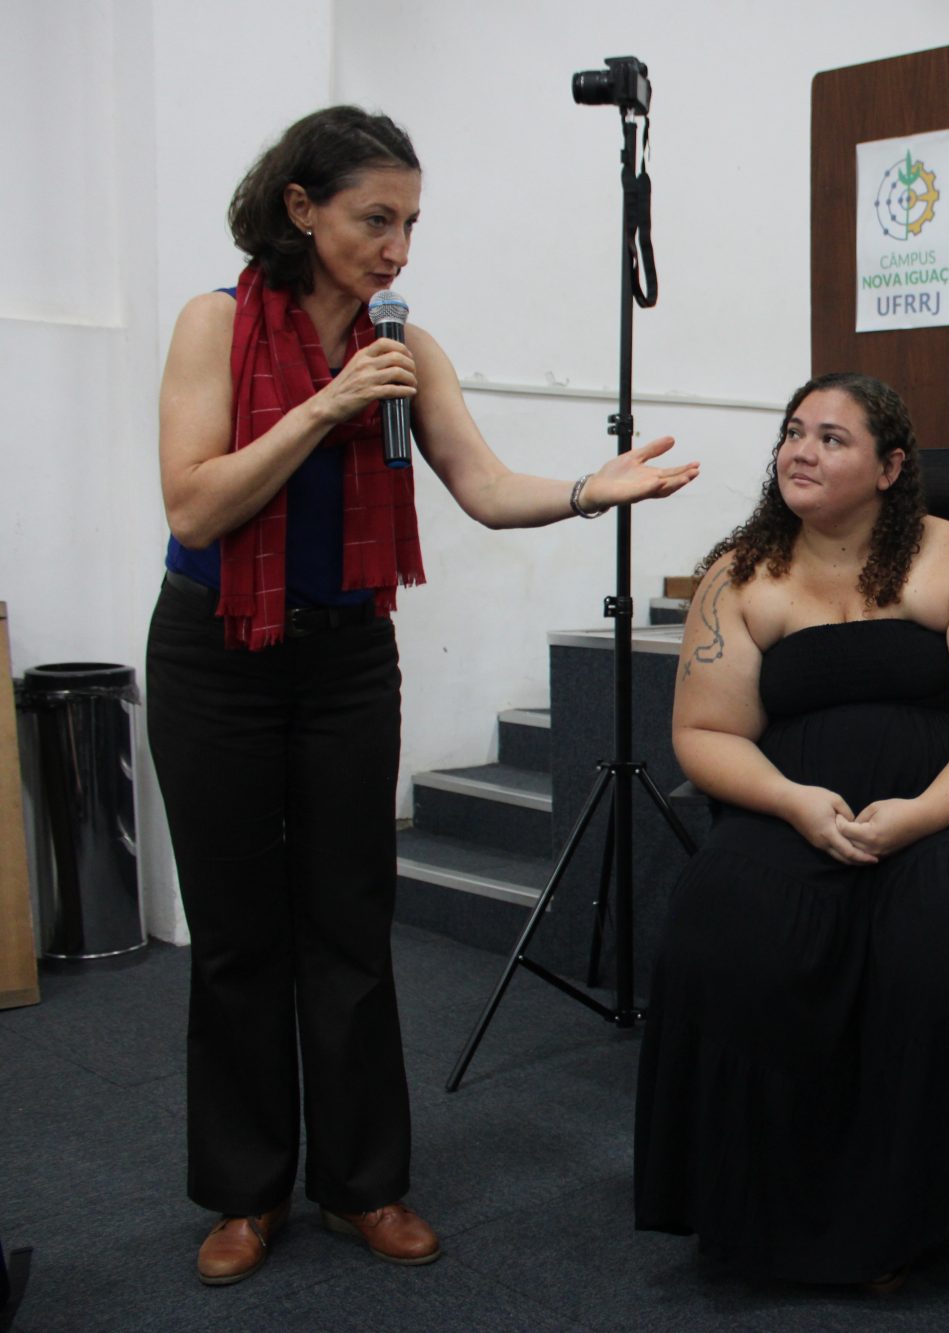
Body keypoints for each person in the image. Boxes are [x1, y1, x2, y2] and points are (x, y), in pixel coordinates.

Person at [146, 105, 698, 1287]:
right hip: (217, 652)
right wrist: (326, 406)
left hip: (347, 658)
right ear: (302, 207)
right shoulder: (215, 323)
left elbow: (484, 488)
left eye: (409, 224)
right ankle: (246, 1192)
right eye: (374, 220)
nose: (396, 248)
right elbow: (194, 504)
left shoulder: (408, 347)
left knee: (349, 924)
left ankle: (362, 1184)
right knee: (239, 934)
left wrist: (589, 490)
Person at [633, 371, 949, 1286]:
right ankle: (763, 1205)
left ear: (890, 467)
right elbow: (705, 732)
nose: (801, 450)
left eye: (832, 438)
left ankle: (916, 1212)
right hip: (795, 810)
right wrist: (791, 800)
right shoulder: (741, 574)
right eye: (794, 432)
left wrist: (924, 813)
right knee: (721, 928)